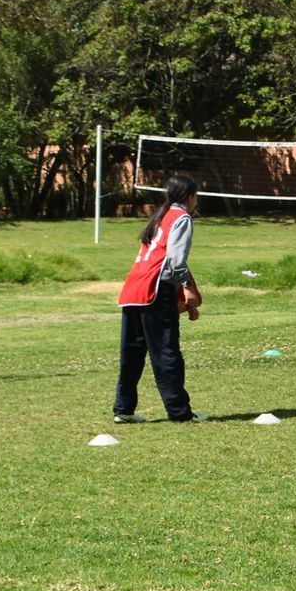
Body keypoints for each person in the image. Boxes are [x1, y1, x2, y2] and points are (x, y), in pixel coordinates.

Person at [114, 173, 206, 423]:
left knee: (132, 353)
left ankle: (123, 409)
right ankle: (180, 412)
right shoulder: (182, 217)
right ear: (190, 196)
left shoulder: (160, 216)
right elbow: (176, 261)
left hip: (132, 290)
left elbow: (164, 260)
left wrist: (186, 290)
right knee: (166, 352)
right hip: (154, 290)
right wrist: (187, 287)